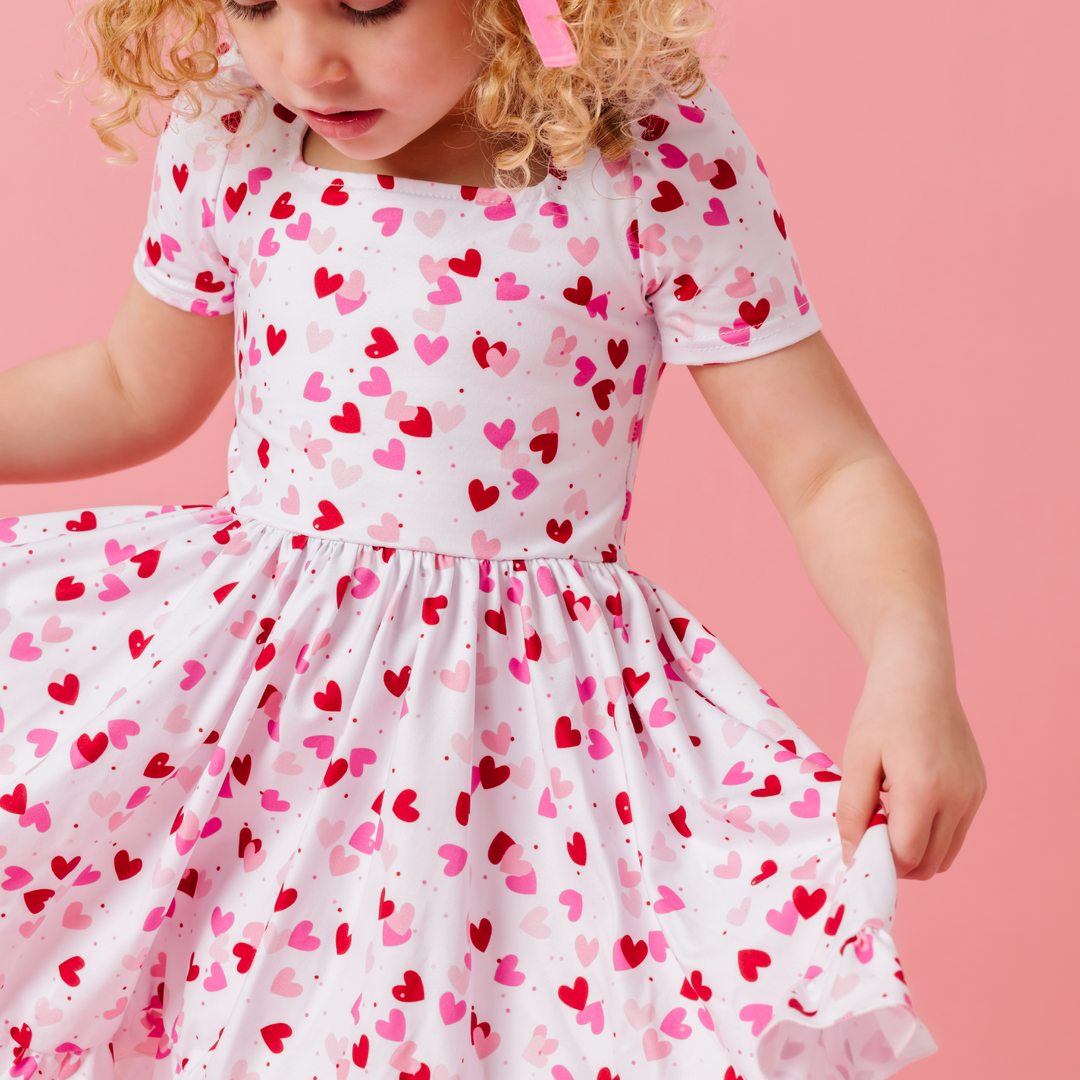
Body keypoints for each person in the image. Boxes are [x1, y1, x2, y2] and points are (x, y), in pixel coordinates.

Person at [0, 0, 986, 1077]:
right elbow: (130, 383)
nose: (304, 59)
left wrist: (911, 661)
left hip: (523, 768)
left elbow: (828, 466)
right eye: (252, 1)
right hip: (260, 736)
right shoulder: (242, 130)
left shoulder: (644, 153)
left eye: (367, 3)